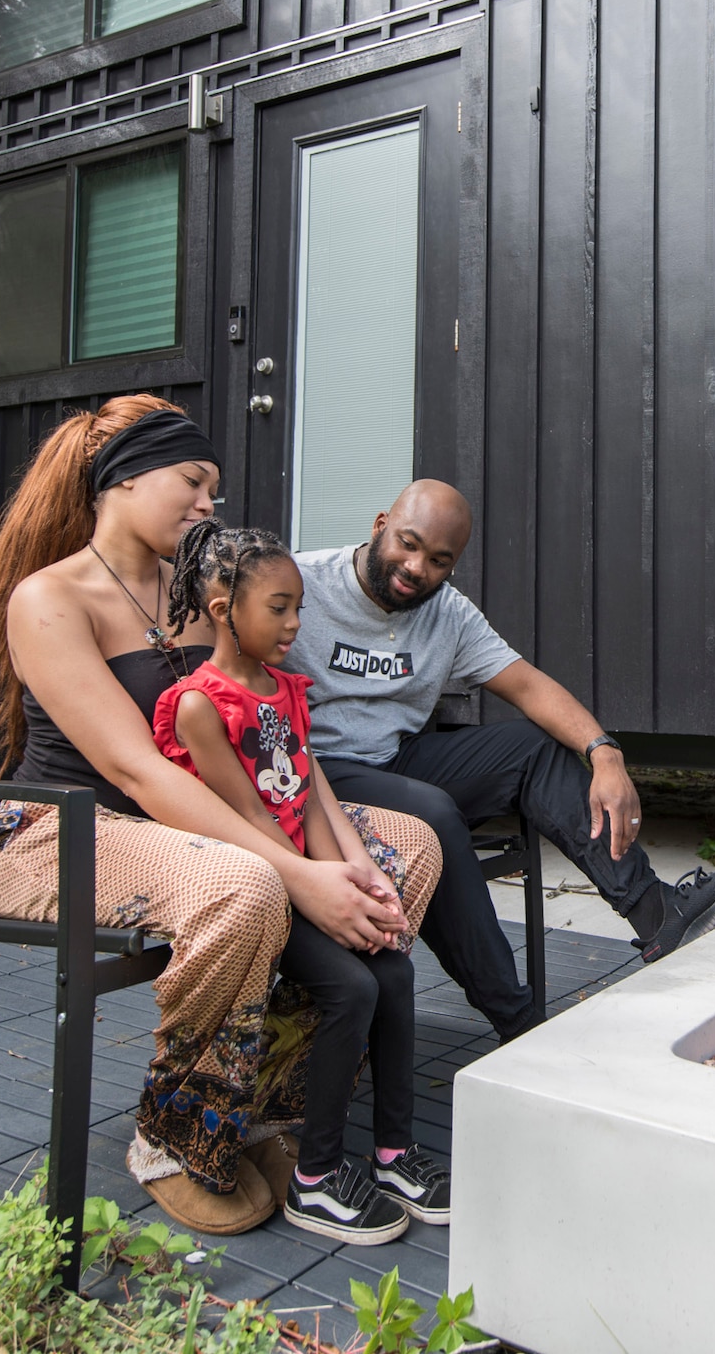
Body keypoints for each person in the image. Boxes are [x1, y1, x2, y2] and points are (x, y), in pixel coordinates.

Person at [0, 395, 439, 1237]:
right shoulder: (50, 597)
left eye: (213, 487)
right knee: (244, 885)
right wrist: (300, 878)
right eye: (193, 481)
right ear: (125, 478)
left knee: (410, 845)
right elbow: (134, 768)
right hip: (59, 832)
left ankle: (269, 1099)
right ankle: (176, 1131)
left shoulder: (199, 594)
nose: (210, 503)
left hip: (182, 826)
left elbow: (278, 728)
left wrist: (346, 858)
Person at [289, 481, 715, 1040]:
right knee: (433, 815)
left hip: (395, 760)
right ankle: (517, 1021)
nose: (416, 567)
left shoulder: (447, 613)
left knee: (534, 748)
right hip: (316, 777)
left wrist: (605, 752)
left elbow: (528, 685)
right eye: (407, 543)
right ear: (379, 526)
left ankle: (658, 914)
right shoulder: (300, 584)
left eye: (439, 560)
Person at [155, 519, 447, 1244]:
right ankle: (315, 1178)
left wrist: (363, 876)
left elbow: (312, 799)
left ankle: (392, 1153)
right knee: (351, 988)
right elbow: (252, 817)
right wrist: (319, 888)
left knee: (395, 970)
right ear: (224, 611)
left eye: (298, 607)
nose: (294, 623)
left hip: (303, 877)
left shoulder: (286, 689)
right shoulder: (200, 705)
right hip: (254, 887)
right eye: (279, 608)